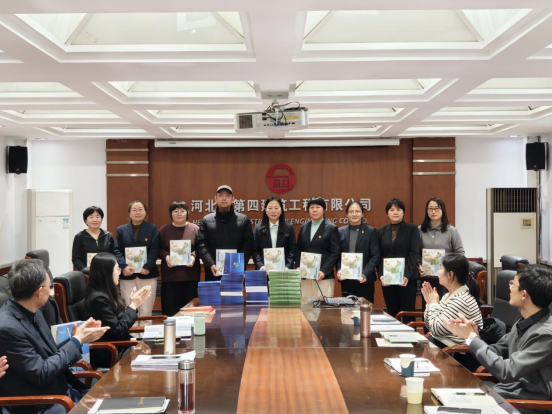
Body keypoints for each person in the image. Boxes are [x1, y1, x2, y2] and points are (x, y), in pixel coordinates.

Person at [0, 259, 109, 414]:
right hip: (44, 403)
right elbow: (42, 373)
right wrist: (77, 341)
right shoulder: (8, 328)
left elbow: (49, 354)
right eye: (50, 286)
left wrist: (75, 338)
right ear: (39, 292)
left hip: (64, 391)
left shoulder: (34, 310)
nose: (52, 291)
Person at [444, 264, 552, 412]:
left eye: (513, 284)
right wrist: (474, 337)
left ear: (524, 295)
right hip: (508, 393)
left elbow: (507, 372)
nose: (510, 287)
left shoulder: (545, 335)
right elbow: (495, 350)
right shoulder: (524, 322)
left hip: (529, 404)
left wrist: (471, 338)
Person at [84, 253, 151, 368]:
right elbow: (118, 331)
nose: (119, 273)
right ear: (107, 273)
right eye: (117, 269)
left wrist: (131, 305)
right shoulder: (98, 299)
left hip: (121, 345)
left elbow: (119, 321)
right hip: (111, 352)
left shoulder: (107, 292)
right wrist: (133, 306)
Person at [421, 254, 482, 348]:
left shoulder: (462, 300)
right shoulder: (448, 296)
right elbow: (429, 325)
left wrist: (433, 303)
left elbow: (436, 330)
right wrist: (430, 303)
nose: (438, 272)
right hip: (441, 347)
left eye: (440, 268)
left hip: (453, 352)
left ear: (450, 275)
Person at [113, 200, 159, 320]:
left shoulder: (152, 228)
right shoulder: (121, 230)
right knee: (130, 307)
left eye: (140, 209)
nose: (137, 212)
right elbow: (117, 250)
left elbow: (154, 249)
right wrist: (124, 266)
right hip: (128, 275)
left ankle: (144, 332)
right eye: (134, 210)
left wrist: (147, 267)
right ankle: (131, 331)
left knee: (146, 309)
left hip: (147, 275)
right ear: (129, 213)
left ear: (145, 212)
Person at [196, 185, 254, 281]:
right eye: (220, 195)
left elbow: (248, 244)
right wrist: (211, 263)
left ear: (233, 199)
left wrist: (239, 264)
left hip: (236, 270)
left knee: (235, 291)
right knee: (214, 291)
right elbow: (202, 244)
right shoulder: (206, 220)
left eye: (227, 195)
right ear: (215, 199)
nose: (224, 198)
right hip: (213, 271)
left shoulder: (243, 220)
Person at [377, 198, 420, 320]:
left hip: (407, 280)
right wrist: (381, 274)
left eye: (398, 209)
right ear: (387, 213)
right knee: (392, 314)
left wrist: (406, 275)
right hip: (388, 279)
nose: (395, 212)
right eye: (392, 210)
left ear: (403, 212)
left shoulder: (412, 229)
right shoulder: (381, 231)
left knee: (408, 314)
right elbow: (379, 255)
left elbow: (414, 253)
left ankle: (410, 334)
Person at [418, 197, 465, 307]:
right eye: (430, 209)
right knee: (427, 307)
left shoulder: (452, 231)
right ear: (426, 211)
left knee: (444, 307)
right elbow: (416, 252)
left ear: (442, 210)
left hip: (446, 277)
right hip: (426, 277)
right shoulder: (420, 230)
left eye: (437, 208)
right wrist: (419, 265)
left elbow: (460, 253)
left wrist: (450, 267)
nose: (433, 211)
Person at [158, 201, 201, 316]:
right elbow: (157, 249)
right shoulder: (164, 230)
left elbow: (201, 248)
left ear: (187, 213)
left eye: (182, 211)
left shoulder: (195, 229)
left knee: (190, 313)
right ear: (170, 214)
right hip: (170, 278)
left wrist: (193, 256)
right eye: (175, 211)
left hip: (190, 277)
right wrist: (166, 256)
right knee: (170, 312)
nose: (179, 213)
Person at [295, 197, 340, 297]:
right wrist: (298, 266)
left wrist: (324, 271)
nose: (314, 210)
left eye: (318, 207)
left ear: (324, 210)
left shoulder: (331, 228)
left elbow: (335, 252)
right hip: (305, 276)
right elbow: (298, 249)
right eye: (312, 207)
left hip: (323, 276)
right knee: (306, 304)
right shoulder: (304, 227)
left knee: (323, 305)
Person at [336, 200, 380, 303]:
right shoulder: (340, 231)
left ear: (362, 214)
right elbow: (337, 254)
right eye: (351, 211)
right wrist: (339, 269)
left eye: (357, 211)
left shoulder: (371, 231)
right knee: (347, 310)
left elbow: (375, 255)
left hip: (364, 280)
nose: (354, 214)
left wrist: (364, 274)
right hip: (346, 280)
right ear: (347, 214)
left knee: (365, 310)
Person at [252, 196, 296, 270]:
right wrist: (260, 266)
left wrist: (288, 266)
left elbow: (293, 250)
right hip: (264, 271)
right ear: (265, 210)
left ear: (281, 210)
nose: (273, 211)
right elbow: (254, 250)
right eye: (270, 208)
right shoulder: (258, 228)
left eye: (276, 208)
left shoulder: (289, 227)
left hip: (284, 271)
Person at [72, 206, 115, 272]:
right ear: (86, 220)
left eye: (97, 217)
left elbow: (113, 255)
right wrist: (85, 270)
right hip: (87, 274)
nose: (95, 220)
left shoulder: (108, 235)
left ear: (101, 219)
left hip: (105, 273)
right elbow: (76, 258)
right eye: (91, 217)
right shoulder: (79, 237)